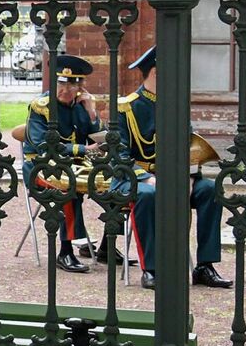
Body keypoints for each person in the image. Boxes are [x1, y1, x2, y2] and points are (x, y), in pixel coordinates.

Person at [112, 45, 230, 290]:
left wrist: (187, 177)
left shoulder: (175, 103)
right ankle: (151, 269)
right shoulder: (126, 108)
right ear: (155, 72)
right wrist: (146, 177)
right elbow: (118, 154)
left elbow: (189, 147)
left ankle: (205, 266)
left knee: (209, 190)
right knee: (148, 194)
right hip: (135, 178)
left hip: (174, 176)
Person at [23, 53, 112, 273]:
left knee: (118, 185)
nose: (65, 90)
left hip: (79, 167)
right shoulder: (40, 107)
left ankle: (107, 247)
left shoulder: (81, 106)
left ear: (80, 87)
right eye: (61, 83)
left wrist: (92, 111)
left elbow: (102, 137)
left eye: (72, 85)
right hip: (42, 168)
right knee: (68, 191)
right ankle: (65, 252)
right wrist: (82, 149)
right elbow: (44, 145)